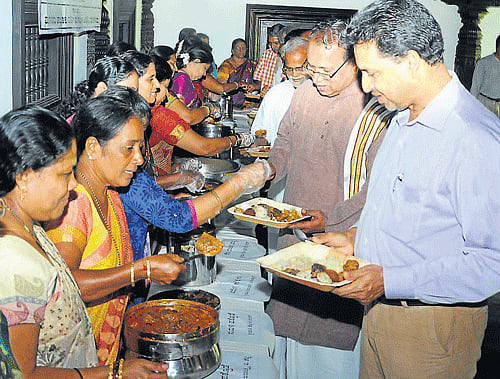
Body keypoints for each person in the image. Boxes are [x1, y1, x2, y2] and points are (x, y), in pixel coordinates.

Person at [313, 1, 500, 378]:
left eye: (372, 73)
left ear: (412, 61)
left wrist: (391, 280)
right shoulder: (400, 118)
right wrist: (356, 237)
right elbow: (403, 212)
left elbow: (492, 262)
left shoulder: (474, 138)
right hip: (380, 311)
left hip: (432, 330)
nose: (366, 86)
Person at [0, 105, 167, 377]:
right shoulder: (17, 264)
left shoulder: (26, 225)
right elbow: (24, 375)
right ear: (24, 178)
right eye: (64, 175)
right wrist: (115, 373)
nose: (72, 186)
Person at [265, 20, 391, 379]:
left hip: (342, 236)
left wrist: (332, 221)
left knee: (330, 349)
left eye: (325, 70)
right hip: (296, 226)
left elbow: (376, 190)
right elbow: (285, 140)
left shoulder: (375, 108)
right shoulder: (305, 91)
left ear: (353, 63)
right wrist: (269, 169)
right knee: (288, 338)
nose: (315, 77)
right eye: (310, 68)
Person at [45, 97, 187, 366]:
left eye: (140, 148)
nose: (139, 159)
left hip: (105, 352)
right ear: (92, 147)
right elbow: (66, 286)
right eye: (129, 149)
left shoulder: (110, 194)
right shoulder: (73, 204)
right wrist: (141, 270)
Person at [149, 54, 254, 177]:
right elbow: (204, 147)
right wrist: (237, 139)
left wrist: (177, 168)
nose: (167, 93)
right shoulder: (161, 116)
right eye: (165, 87)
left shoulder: (154, 111)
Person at [250, 37, 309, 146]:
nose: (294, 75)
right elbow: (260, 130)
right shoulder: (276, 94)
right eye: (289, 69)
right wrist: (258, 141)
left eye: (300, 68)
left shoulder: (323, 92)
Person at [54, 55, 139, 120]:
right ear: (102, 88)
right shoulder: (84, 123)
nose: (135, 98)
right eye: (129, 91)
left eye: (135, 92)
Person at [218, 38, 259, 108]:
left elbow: (260, 82)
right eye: (238, 48)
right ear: (232, 50)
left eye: (243, 48)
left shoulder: (252, 64)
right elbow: (221, 85)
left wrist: (253, 86)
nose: (241, 50)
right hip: (230, 104)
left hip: (249, 104)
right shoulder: (226, 66)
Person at [470, 34, 500, 118]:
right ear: (498, 47)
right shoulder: (484, 63)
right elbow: (475, 87)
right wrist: (471, 106)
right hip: (484, 103)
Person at [253, 24, 286, 96]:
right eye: (270, 43)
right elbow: (257, 77)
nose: (272, 46)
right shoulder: (267, 54)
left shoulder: (289, 57)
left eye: (276, 43)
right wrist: (260, 88)